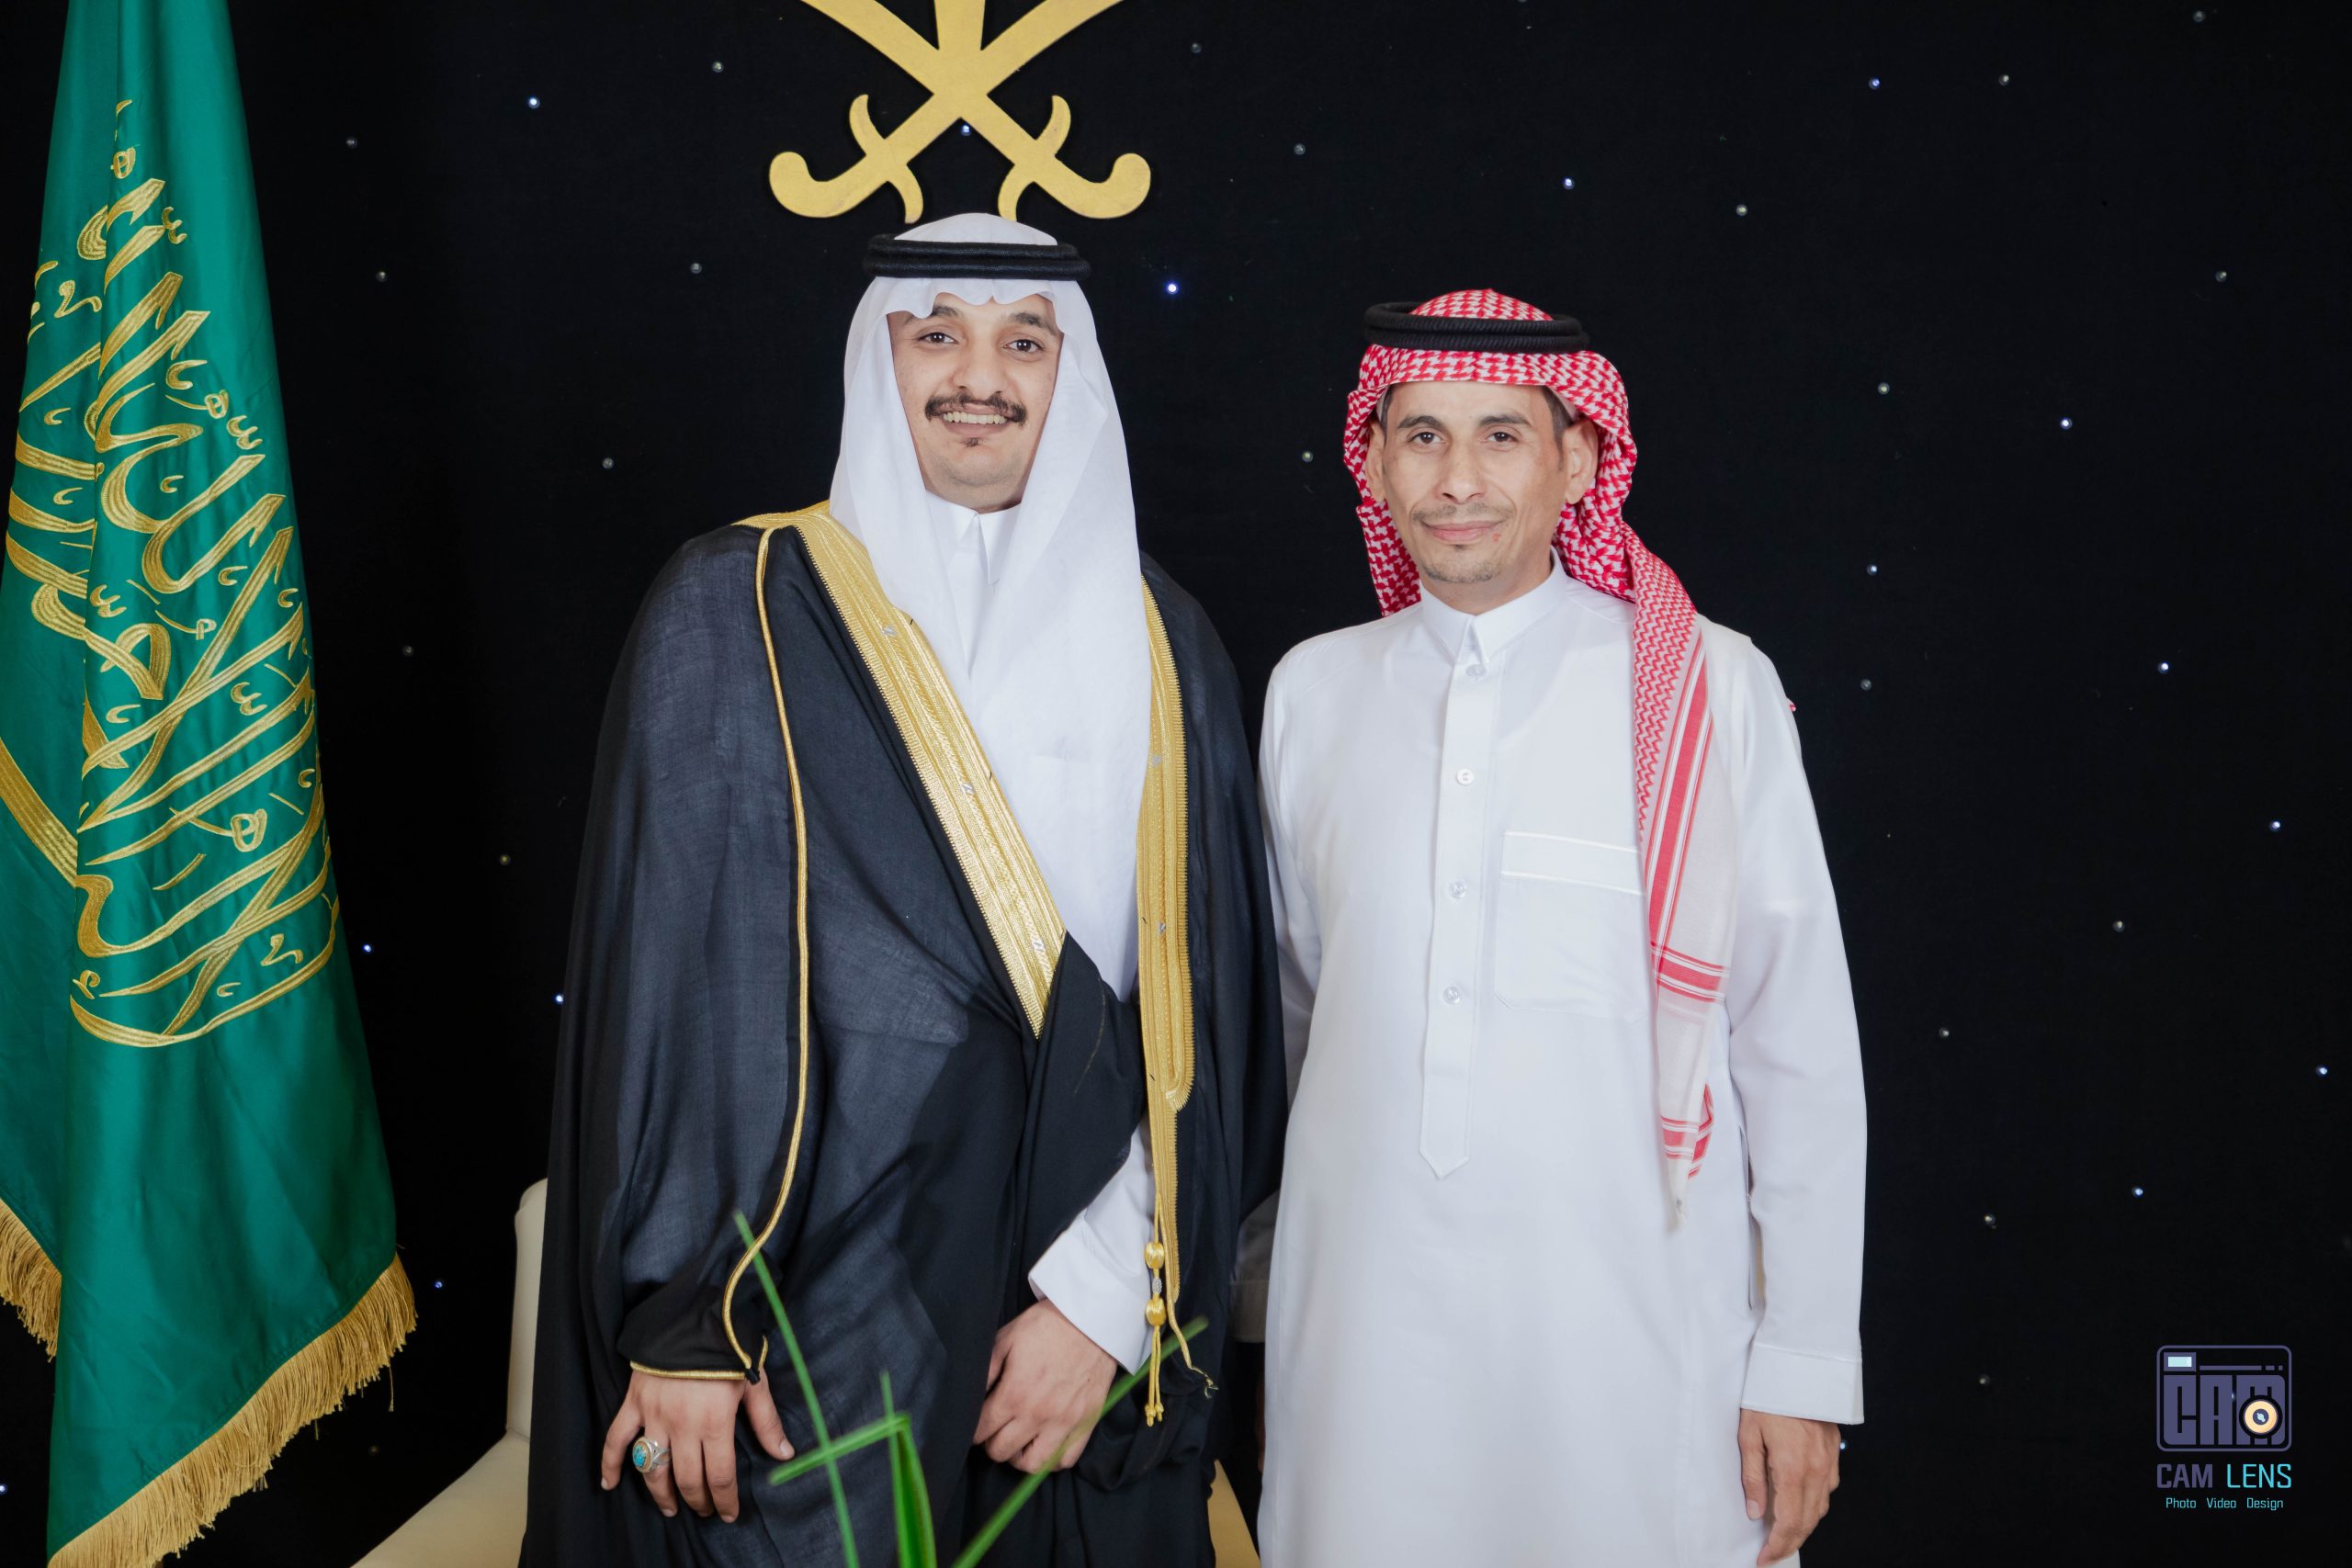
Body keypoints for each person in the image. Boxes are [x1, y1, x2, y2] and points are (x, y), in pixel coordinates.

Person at [525, 213, 1284, 1567]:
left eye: (1023, 342)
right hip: (801, 1318)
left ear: (1072, 372)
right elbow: (679, 989)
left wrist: (1106, 1304)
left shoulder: (1169, 644)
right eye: (937, 334)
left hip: (1072, 1328)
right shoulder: (740, 603)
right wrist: (689, 1321)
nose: (978, 375)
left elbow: (1215, 1023)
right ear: (878, 361)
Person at [1240, 291, 1867, 1566]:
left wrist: (1803, 1360)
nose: (1456, 481)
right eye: (1421, 436)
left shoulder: (1709, 688)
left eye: (1502, 436)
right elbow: (1290, 1028)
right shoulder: (1313, 691)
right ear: (1373, 460)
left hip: (1640, 1345)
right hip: (1363, 1338)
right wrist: (1252, 1293)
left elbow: (1795, 1043)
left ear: (1578, 459)